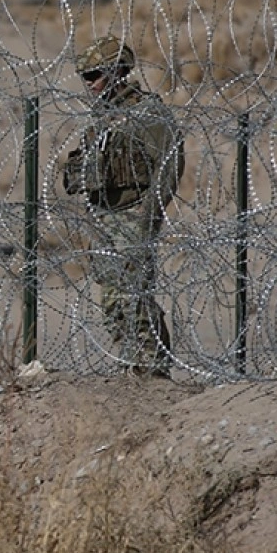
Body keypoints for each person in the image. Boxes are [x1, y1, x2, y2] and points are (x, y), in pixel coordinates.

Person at [62, 35, 185, 378]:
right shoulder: (102, 118)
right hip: (104, 216)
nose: (88, 85)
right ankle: (135, 361)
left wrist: (150, 216)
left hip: (134, 213)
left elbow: (170, 164)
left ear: (117, 71)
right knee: (112, 300)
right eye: (84, 77)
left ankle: (152, 367)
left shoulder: (145, 112)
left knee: (133, 294)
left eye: (94, 76)